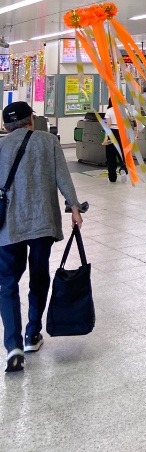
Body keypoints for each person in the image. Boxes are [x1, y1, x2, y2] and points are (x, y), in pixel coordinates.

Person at [0, 102, 86, 373]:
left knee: (7, 282)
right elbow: (63, 176)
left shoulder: (1, 146)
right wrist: (74, 208)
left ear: (5, 126)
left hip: (7, 225)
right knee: (39, 275)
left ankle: (12, 345)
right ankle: (31, 334)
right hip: (42, 221)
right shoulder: (48, 141)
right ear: (31, 120)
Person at [103, 99, 128, 183]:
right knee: (122, 154)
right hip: (122, 133)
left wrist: (106, 137)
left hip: (112, 133)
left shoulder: (109, 111)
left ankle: (112, 177)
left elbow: (108, 125)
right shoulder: (124, 110)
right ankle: (123, 169)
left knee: (111, 155)